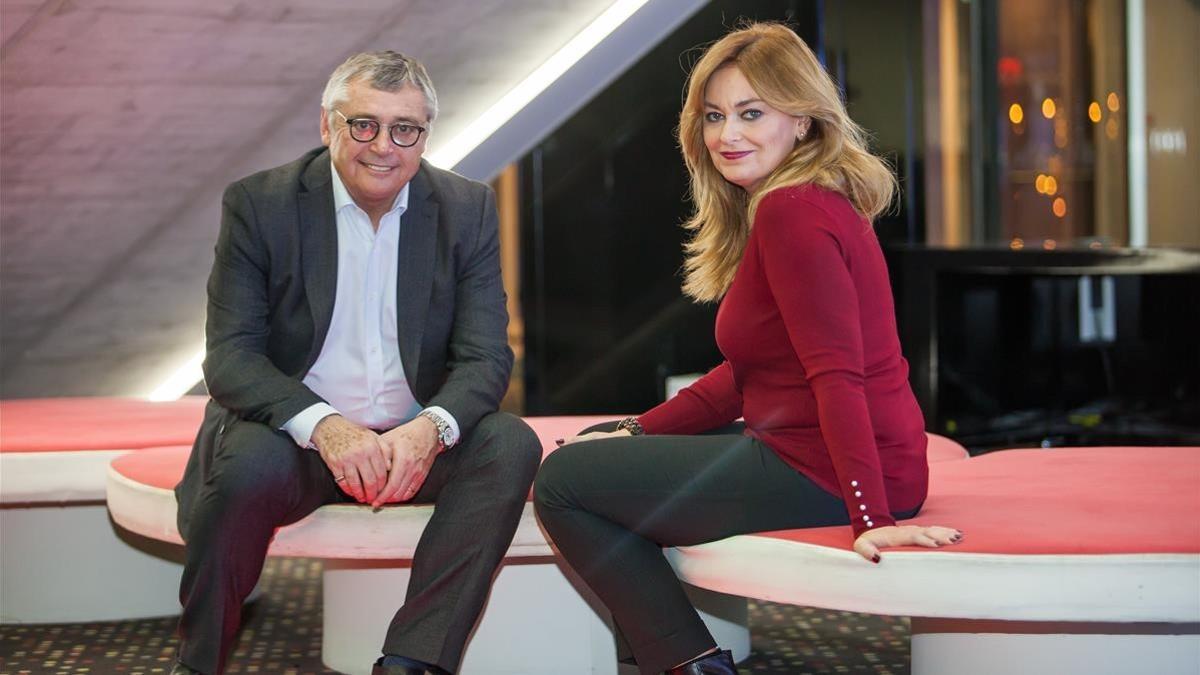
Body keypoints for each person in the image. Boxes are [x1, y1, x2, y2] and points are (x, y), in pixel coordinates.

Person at [534, 23, 962, 675]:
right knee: (599, 446)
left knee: (562, 483)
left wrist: (868, 515)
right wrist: (633, 429)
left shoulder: (792, 211)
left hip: (828, 466)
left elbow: (837, 375)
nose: (727, 134)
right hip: (814, 449)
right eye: (714, 116)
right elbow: (744, 376)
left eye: (751, 113)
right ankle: (665, 647)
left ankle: (687, 661)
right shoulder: (795, 202)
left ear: (802, 119)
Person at [171, 51, 540, 675]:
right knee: (245, 468)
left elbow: (485, 355)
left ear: (425, 135)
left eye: (406, 129)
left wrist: (428, 431)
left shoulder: (466, 207)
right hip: (298, 439)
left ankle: (412, 660)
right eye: (363, 124)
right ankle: (197, 663)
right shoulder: (261, 204)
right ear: (327, 125)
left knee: (509, 444)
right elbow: (230, 356)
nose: (384, 147)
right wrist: (325, 426)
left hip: (411, 445)